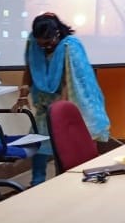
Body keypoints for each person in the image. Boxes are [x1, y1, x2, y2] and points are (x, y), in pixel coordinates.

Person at [13, 12, 110, 186]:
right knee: (39, 143)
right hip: (43, 102)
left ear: (57, 33)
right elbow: (30, 68)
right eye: (41, 44)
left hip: (67, 101)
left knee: (65, 146)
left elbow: (70, 80)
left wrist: (61, 109)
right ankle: (36, 183)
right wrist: (23, 94)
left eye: (48, 43)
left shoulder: (69, 46)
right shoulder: (33, 43)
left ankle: (65, 182)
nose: (45, 47)